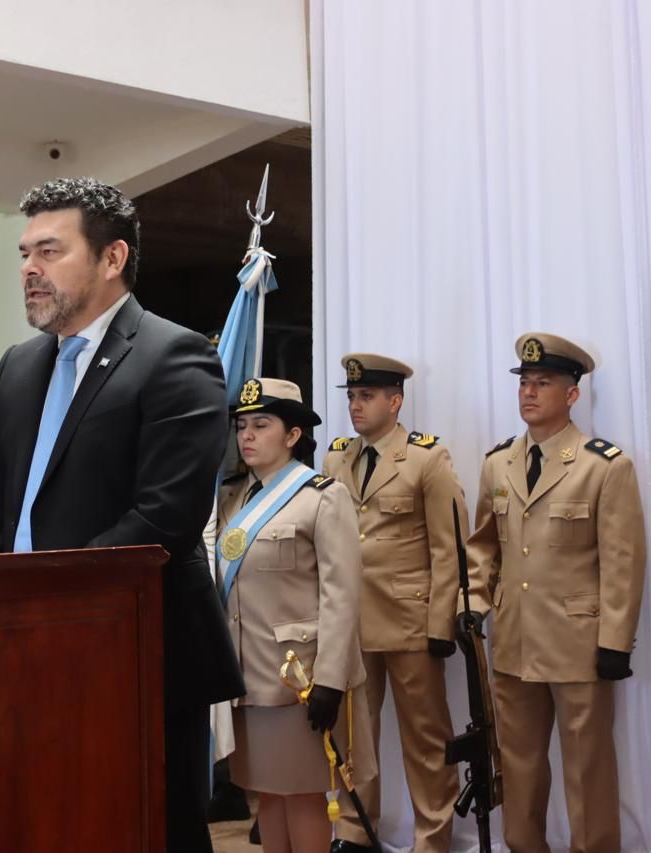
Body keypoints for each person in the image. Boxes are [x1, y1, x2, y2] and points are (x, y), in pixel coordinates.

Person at [0, 176, 244, 852]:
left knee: (144, 829)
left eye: (50, 251)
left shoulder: (176, 356)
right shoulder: (21, 366)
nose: (29, 268)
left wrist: (50, 606)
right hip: (15, 648)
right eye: (25, 253)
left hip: (133, 651)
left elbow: (164, 515)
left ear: (111, 259)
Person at [466, 332, 646, 853]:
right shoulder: (498, 463)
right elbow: (484, 547)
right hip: (515, 642)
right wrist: (474, 605)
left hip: (579, 644)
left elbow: (623, 560)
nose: (529, 392)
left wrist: (615, 640)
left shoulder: (604, 466)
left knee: (587, 767)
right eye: (524, 382)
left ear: (572, 395)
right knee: (518, 764)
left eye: (543, 383)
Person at [218, 377, 374, 853]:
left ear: (291, 435)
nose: (247, 435)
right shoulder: (232, 498)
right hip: (247, 676)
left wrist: (331, 679)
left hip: (299, 680)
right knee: (267, 794)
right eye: (242, 425)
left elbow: (342, 595)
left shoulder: (322, 496)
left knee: (304, 795)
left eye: (261, 425)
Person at [320, 353, 464, 853]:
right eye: (352, 397)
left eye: (367, 397)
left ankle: (433, 836)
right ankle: (357, 832)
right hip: (352, 624)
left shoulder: (427, 458)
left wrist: (441, 624)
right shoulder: (337, 457)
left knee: (425, 741)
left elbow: (450, 548)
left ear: (394, 401)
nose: (355, 406)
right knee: (354, 737)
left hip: (410, 621)